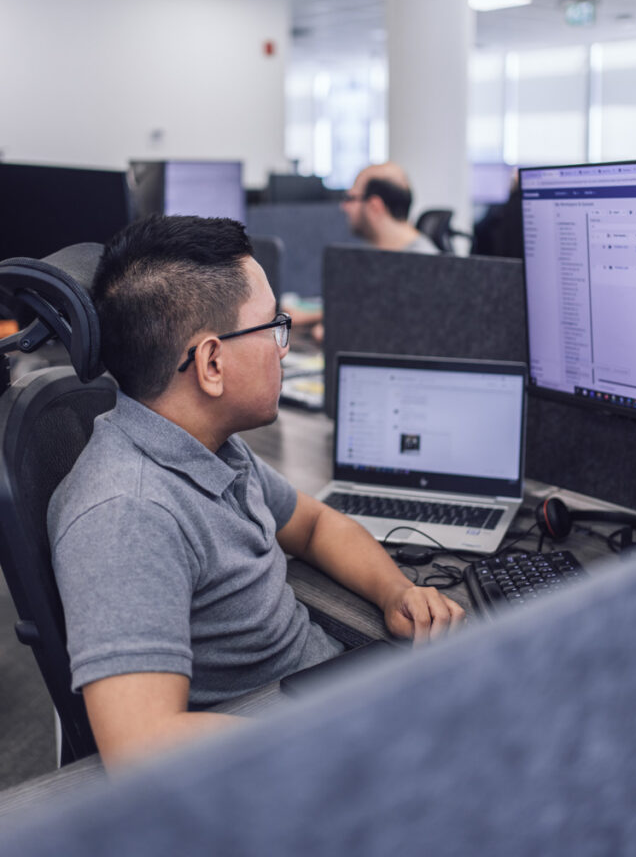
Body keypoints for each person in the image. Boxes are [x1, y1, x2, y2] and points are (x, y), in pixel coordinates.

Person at [48, 214, 465, 766]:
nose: (283, 347)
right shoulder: (127, 514)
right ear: (212, 363)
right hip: (293, 753)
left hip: (327, 696)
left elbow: (315, 525)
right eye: (273, 326)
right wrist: (342, 739)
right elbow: (141, 745)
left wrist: (397, 593)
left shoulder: (207, 443)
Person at [341, 162, 439, 254]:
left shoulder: (425, 265)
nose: (343, 206)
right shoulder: (378, 257)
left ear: (374, 206)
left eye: (350, 198)